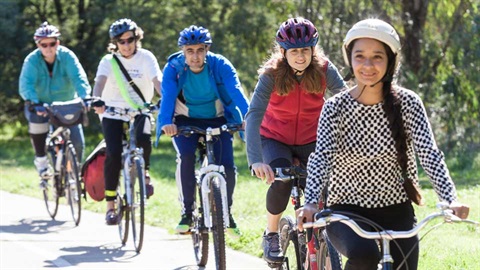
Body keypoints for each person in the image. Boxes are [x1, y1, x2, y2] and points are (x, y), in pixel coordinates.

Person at [296, 18, 470, 270]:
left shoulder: (408, 103)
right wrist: (311, 202)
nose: (368, 65)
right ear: (350, 59)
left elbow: (429, 154)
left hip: (396, 209)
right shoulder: (335, 108)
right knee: (364, 257)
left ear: (390, 61)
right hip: (345, 212)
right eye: (360, 56)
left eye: (377, 57)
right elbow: (322, 157)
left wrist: (450, 200)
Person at [245, 17, 347, 266]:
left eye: (305, 50)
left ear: (313, 50)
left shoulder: (323, 69)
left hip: (313, 138)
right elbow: (254, 114)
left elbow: (346, 100)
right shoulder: (271, 74)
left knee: (325, 185)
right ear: (283, 52)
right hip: (275, 138)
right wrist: (256, 160)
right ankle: (271, 235)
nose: (300, 56)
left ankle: (326, 239)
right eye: (294, 51)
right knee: (281, 179)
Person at [157, 25, 249, 237]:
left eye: (200, 50)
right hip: (184, 120)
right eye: (190, 51)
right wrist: (166, 123)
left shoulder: (220, 65)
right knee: (186, 157)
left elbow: (236, 92)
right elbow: (168, 97)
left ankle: (226, 213)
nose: (195, 56)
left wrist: (248, 118)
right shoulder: (174, 68)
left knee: (227, 165)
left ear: (207, 49)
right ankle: (187, 213)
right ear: (183, 51)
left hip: (217, 119)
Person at [91, 18, 162, 225]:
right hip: (112, 110)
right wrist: (97, 99)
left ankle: (145, 174)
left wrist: (165, 99)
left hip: (139, 108)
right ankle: (111, 205)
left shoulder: (146, 57)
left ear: (136, 37)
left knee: (143, 138)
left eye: (130, 39)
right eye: (121, 41)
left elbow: (157, 81)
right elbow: (99, 83)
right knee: (113, 153)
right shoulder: (108, 61)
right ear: (115, 43)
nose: (126, 45)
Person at [19, 21, 91, 181]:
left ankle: (73, 175)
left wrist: (85, 97)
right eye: (44, 45)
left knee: (77, 142)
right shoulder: (31, 61)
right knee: (38, 125)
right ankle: (42, 161)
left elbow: (79, 78)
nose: (48, 48)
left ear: (57, 42)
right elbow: (26, 84)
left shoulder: (67, 56)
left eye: (52, 43)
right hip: (41, 105)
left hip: (66, 104)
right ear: (38, 45)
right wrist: (34, 102)